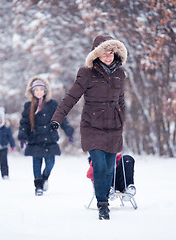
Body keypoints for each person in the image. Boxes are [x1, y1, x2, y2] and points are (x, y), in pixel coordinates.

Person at [50, 35, 127, 220]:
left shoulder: (120, 73)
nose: (108, 57)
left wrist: (122, 120)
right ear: (96, 54)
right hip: (92, 126)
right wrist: (57, 119)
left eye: (111, 53)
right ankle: (103, 204)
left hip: (113, 127)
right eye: (104, 53)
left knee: (110, 168)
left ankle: (104, 197)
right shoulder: (86, 73)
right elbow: (71, 97)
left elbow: (122, 101)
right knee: (99, 166)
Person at [18, 76, 74, 196]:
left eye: (41, 89)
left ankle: (44, 178)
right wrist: (22, 136)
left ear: (45, 91)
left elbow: (61, 118)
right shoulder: (29, 106)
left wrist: (68, 130)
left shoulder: (52, 104)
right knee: (36, 163)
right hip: (35, 139)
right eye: (36, 90)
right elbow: (24, 122)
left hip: (50, 138)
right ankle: (38, 186)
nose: (39, 92)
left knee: (50, 163)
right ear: (32, 91)